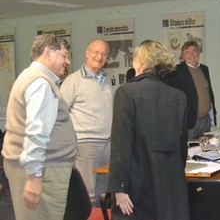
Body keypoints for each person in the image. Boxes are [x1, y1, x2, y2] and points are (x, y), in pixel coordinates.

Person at [107, 40, 190, 220]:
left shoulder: (126, 92)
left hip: (137, 184)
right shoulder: (179, 97)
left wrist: (118, 188)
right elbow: (182, 147)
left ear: (141, 62)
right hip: (171, 183)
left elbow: (121, 145)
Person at [1, 34, 77, 220]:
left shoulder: (31, 77)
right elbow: (37, 133)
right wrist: (34, 178)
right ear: (48, 52)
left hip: (37, 168)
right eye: (64, 55)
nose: (67, 61)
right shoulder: (40, 83)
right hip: (44, 172)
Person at [60, 38, 113, 207]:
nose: (100, 56)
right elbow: (61, 113)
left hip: (108, 144)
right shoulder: (73, 81)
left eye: (104, 54)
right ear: (87, 53)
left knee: (104, 192)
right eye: (96, 52)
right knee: (88, 193)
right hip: (86, 145)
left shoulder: (106, 79)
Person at [166, 41, 217, 139]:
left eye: (194, 51)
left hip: (206, 120)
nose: (191, 54)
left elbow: (209, 92)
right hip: (190, 121)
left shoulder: (204, 69)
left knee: (206, 151)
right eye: (187, 52)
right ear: (183, 56)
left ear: (198, 54)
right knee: (191, 151)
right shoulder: (176, 71)